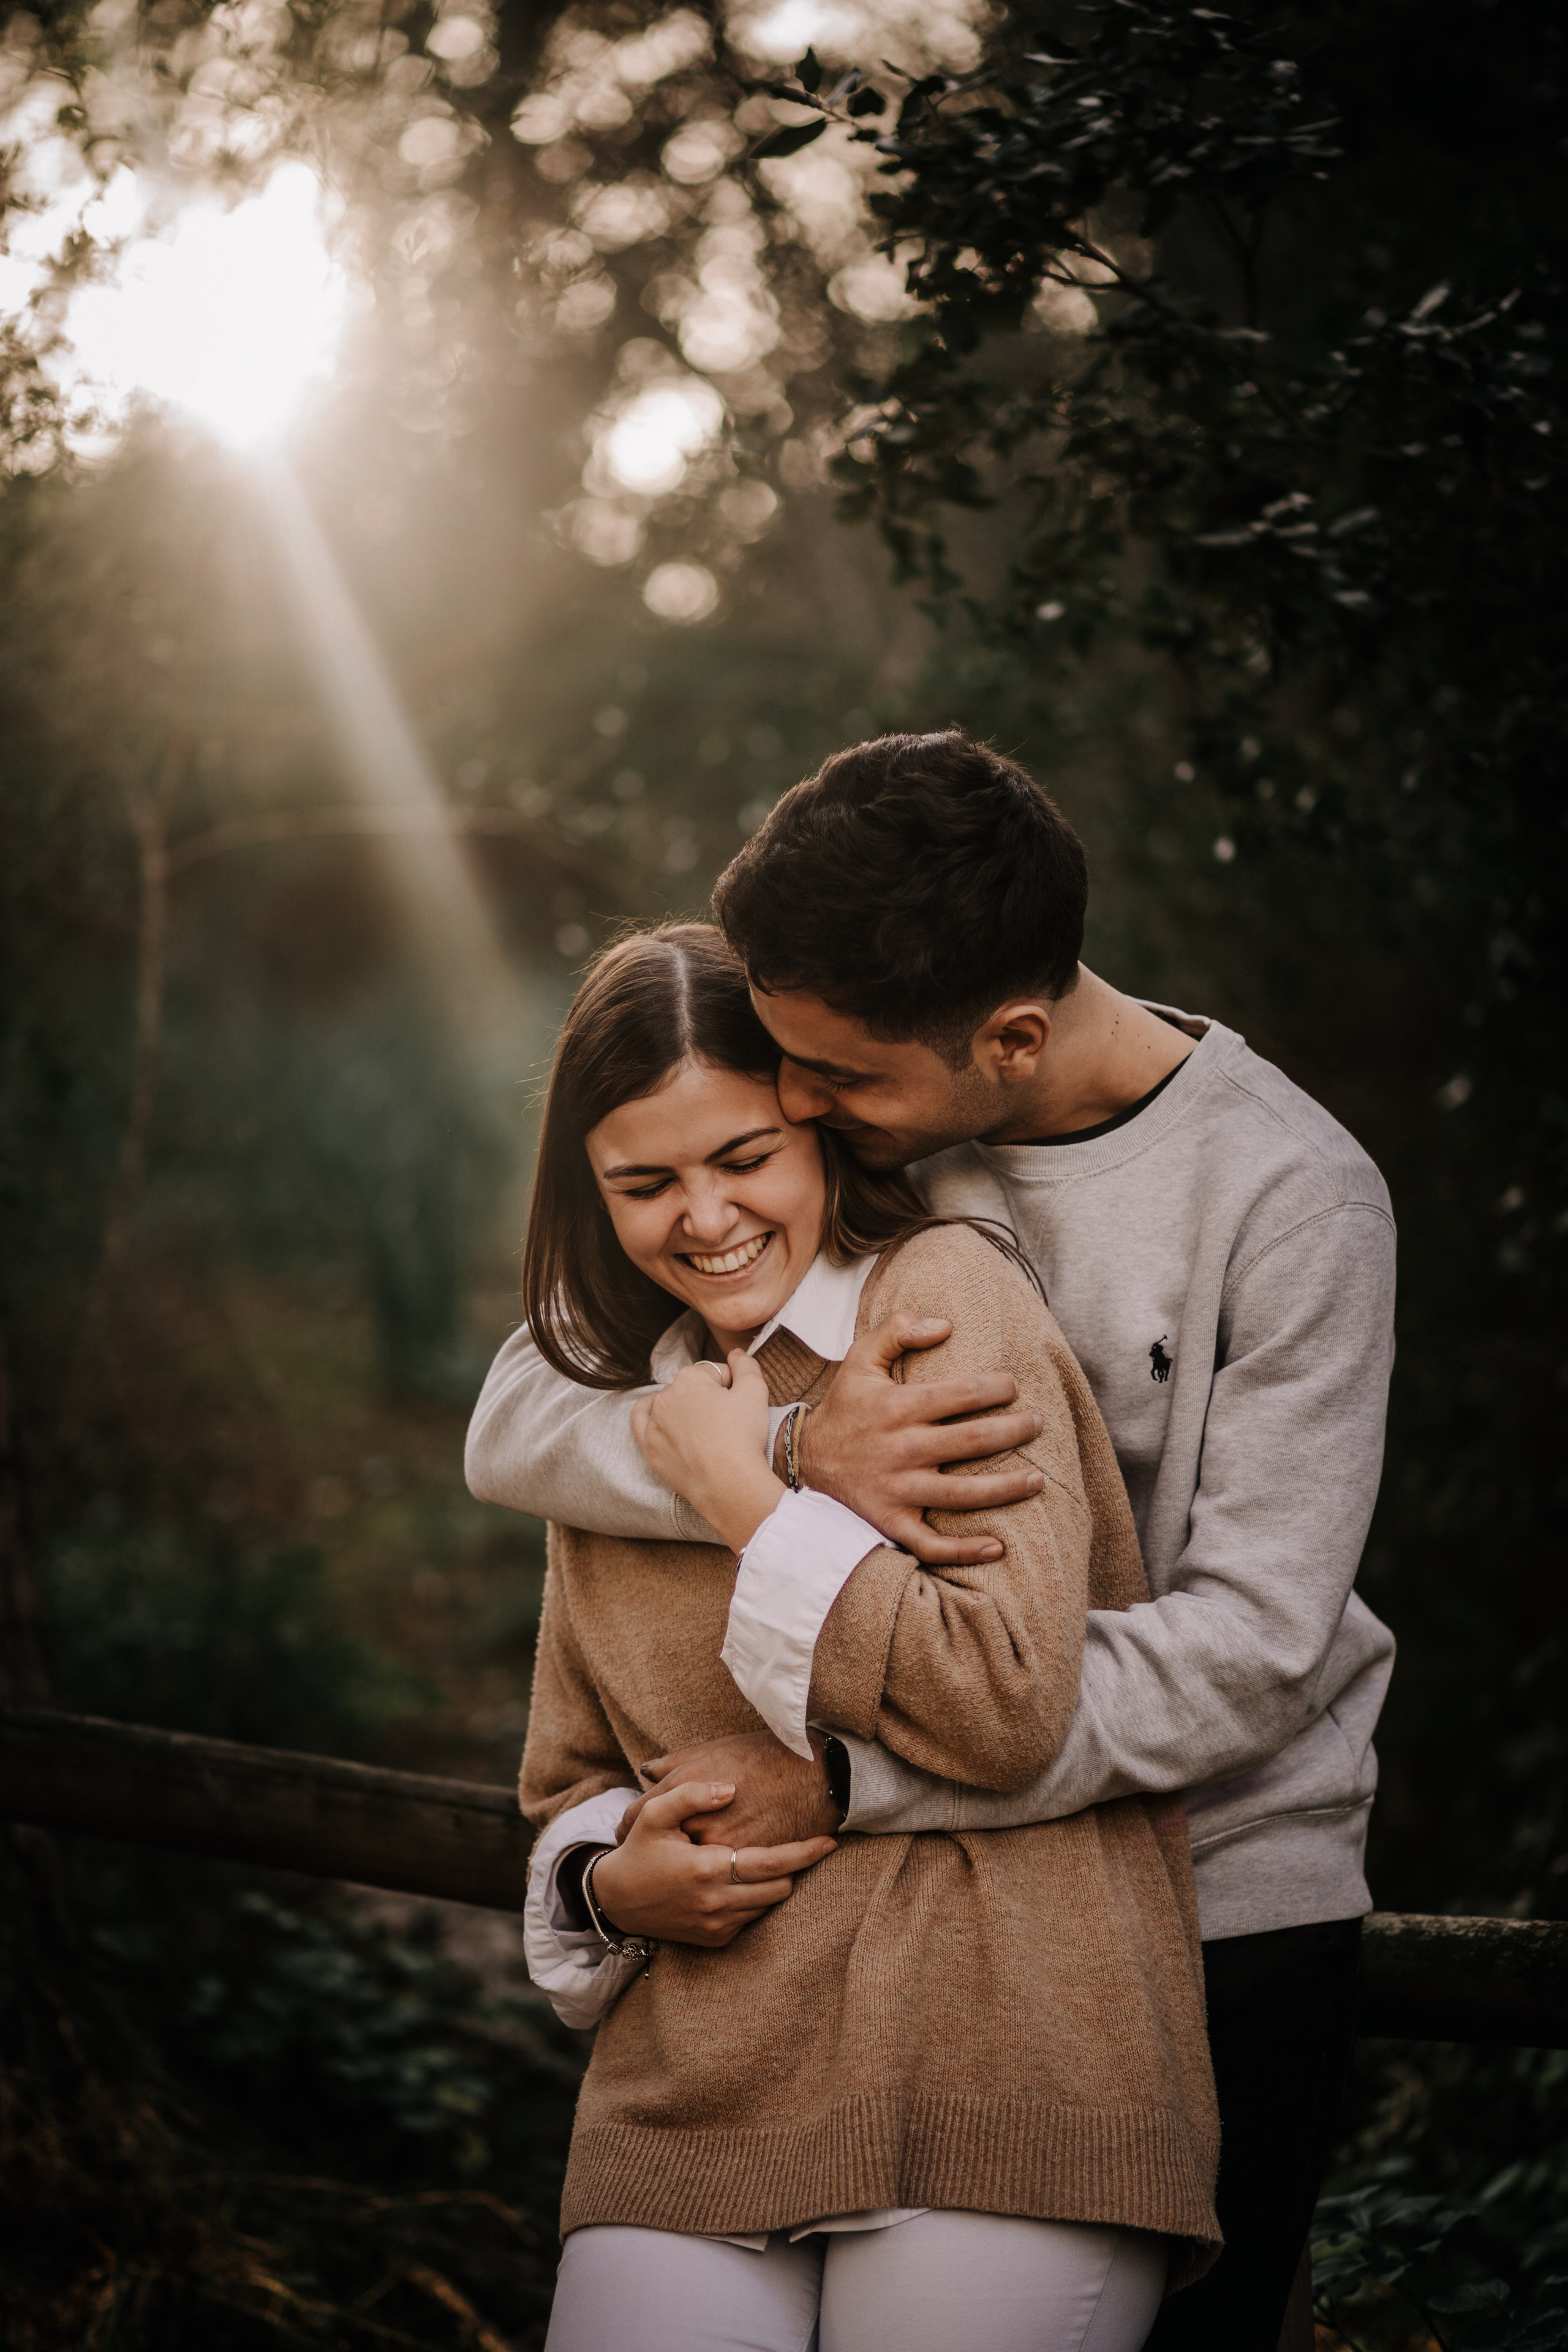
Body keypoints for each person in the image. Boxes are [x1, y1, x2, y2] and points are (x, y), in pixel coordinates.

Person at [471, 733, 1398, 2352]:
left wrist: (845, 1781)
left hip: (1218, 1886)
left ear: (1010, 1040)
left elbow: (1248, 1650)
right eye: (784, 1070)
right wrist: (774, 1448)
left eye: (822, 1087)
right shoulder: (872, 1117)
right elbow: (526, 1411)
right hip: (856, 1921)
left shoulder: (1287, 1199)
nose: (794, 1104)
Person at [516, 921, 1221, 2352]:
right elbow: (571, 1774)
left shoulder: (940, 1301)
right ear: (588, 1193)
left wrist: (748, 1498)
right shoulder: (620, 1412)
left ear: (819, 1128)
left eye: (743, 1158)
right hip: (693, 2089)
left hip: (999, 2055)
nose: (702, 1217)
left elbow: (1005, 1698)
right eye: (643, 1184)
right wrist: (607, 1886)